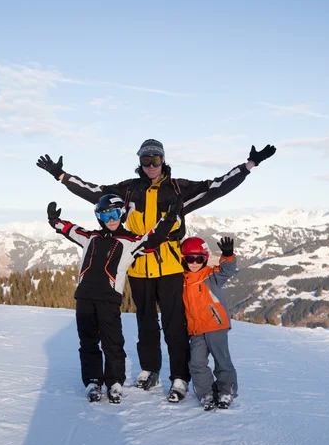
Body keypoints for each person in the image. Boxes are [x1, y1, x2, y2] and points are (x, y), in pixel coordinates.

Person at [37, 139, 276, 402]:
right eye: (146, 160)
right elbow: (95, 193)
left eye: (156, 160)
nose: (151, 165)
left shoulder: (178, 188)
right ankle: (150, 369)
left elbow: (216, 187)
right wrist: (61, 176)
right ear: (139, 162)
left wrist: (249, 165)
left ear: (163, 161)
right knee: (146, 323)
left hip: (171, 266)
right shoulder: (128, 190)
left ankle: (179, 376)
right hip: (139, 267)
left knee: (174, 324)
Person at [47, 192, 182, 404]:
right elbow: (71, 230)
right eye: (106, 215)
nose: (111, 220)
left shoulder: (130, 241)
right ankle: (93, 380)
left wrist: (170, 217)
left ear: (122, 215)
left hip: (109, 300)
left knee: (113, 342)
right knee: (88, 341)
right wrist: (54, 221)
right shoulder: (90, 237)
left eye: (115, 214)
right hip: (84, 298)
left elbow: (153, 237)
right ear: (99, 217)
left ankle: (114, 382)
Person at [180, 235, 238, 411]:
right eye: (191, 258)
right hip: (196, 329)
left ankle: (226, 391)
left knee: (222, 360)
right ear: (184, 259)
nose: (195, 262)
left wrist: (228, 256)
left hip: (216, 326)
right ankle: (206, 393)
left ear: (205, 259)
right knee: (197, 363)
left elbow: (227, 271)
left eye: (200, 259)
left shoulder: (211, 275)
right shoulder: (181, 280)